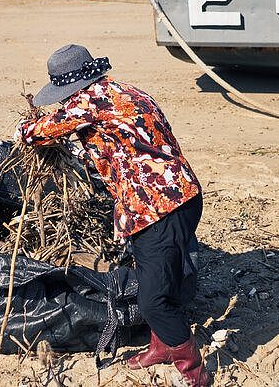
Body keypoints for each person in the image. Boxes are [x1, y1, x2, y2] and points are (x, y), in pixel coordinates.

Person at [16, 45, 208, 387]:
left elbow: (41, 132)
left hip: (157, 208)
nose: (62, 101)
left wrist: (23, 130)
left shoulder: (89, 102)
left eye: (63, 94)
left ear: (74, 87)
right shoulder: (127, 91)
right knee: (163, 279)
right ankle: (161, 345)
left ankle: (193, 370)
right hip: (183, 195)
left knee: (152, 301)